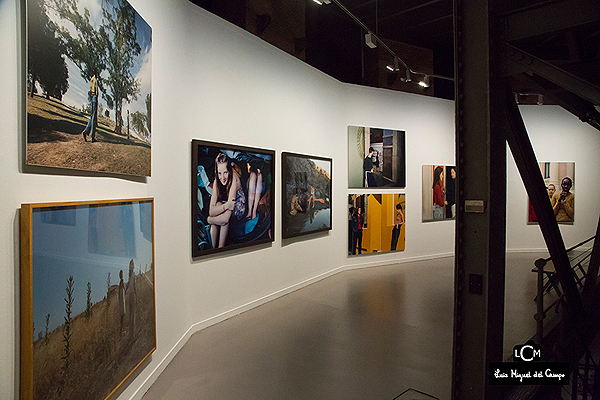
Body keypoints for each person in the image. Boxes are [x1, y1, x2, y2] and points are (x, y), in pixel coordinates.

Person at [208, 153, 245, 248]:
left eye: (225, 172)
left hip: (238, 206)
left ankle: (220, 248)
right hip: (227, 203)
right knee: (218, 204)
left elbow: (225, 219)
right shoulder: (217, 179)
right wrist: (225, 206)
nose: (222, 177)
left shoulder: (234, 180)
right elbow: (211, 211)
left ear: (229, 171)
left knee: (224, 220)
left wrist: (209, 220)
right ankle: (213, 249)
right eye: (220, 173)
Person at [81, 74, 99, 142]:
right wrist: (96, 97)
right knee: (94, 117)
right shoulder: (95, 80)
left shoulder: (91, 79)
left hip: (92, 98)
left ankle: (86, 131)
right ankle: (92, 135)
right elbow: (96, 91)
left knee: (92, 117)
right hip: (94, 98)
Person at [125, 260, 136, 341]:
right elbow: (134, 285)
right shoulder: (133, 274)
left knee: (130, 315)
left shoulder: (129, 275)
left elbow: (128, 285)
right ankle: (133, 334)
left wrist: (125, 291)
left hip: (129, 295)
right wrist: (136, 294)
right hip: (133, 294)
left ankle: (130, 334)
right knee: (133, 314)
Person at [118, 270, 125, 334]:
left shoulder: (121, 282)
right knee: (122, 314)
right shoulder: (121, 282)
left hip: (121, 300)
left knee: (122, 315)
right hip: (121, 300)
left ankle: (121, 330)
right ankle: (121, 330)